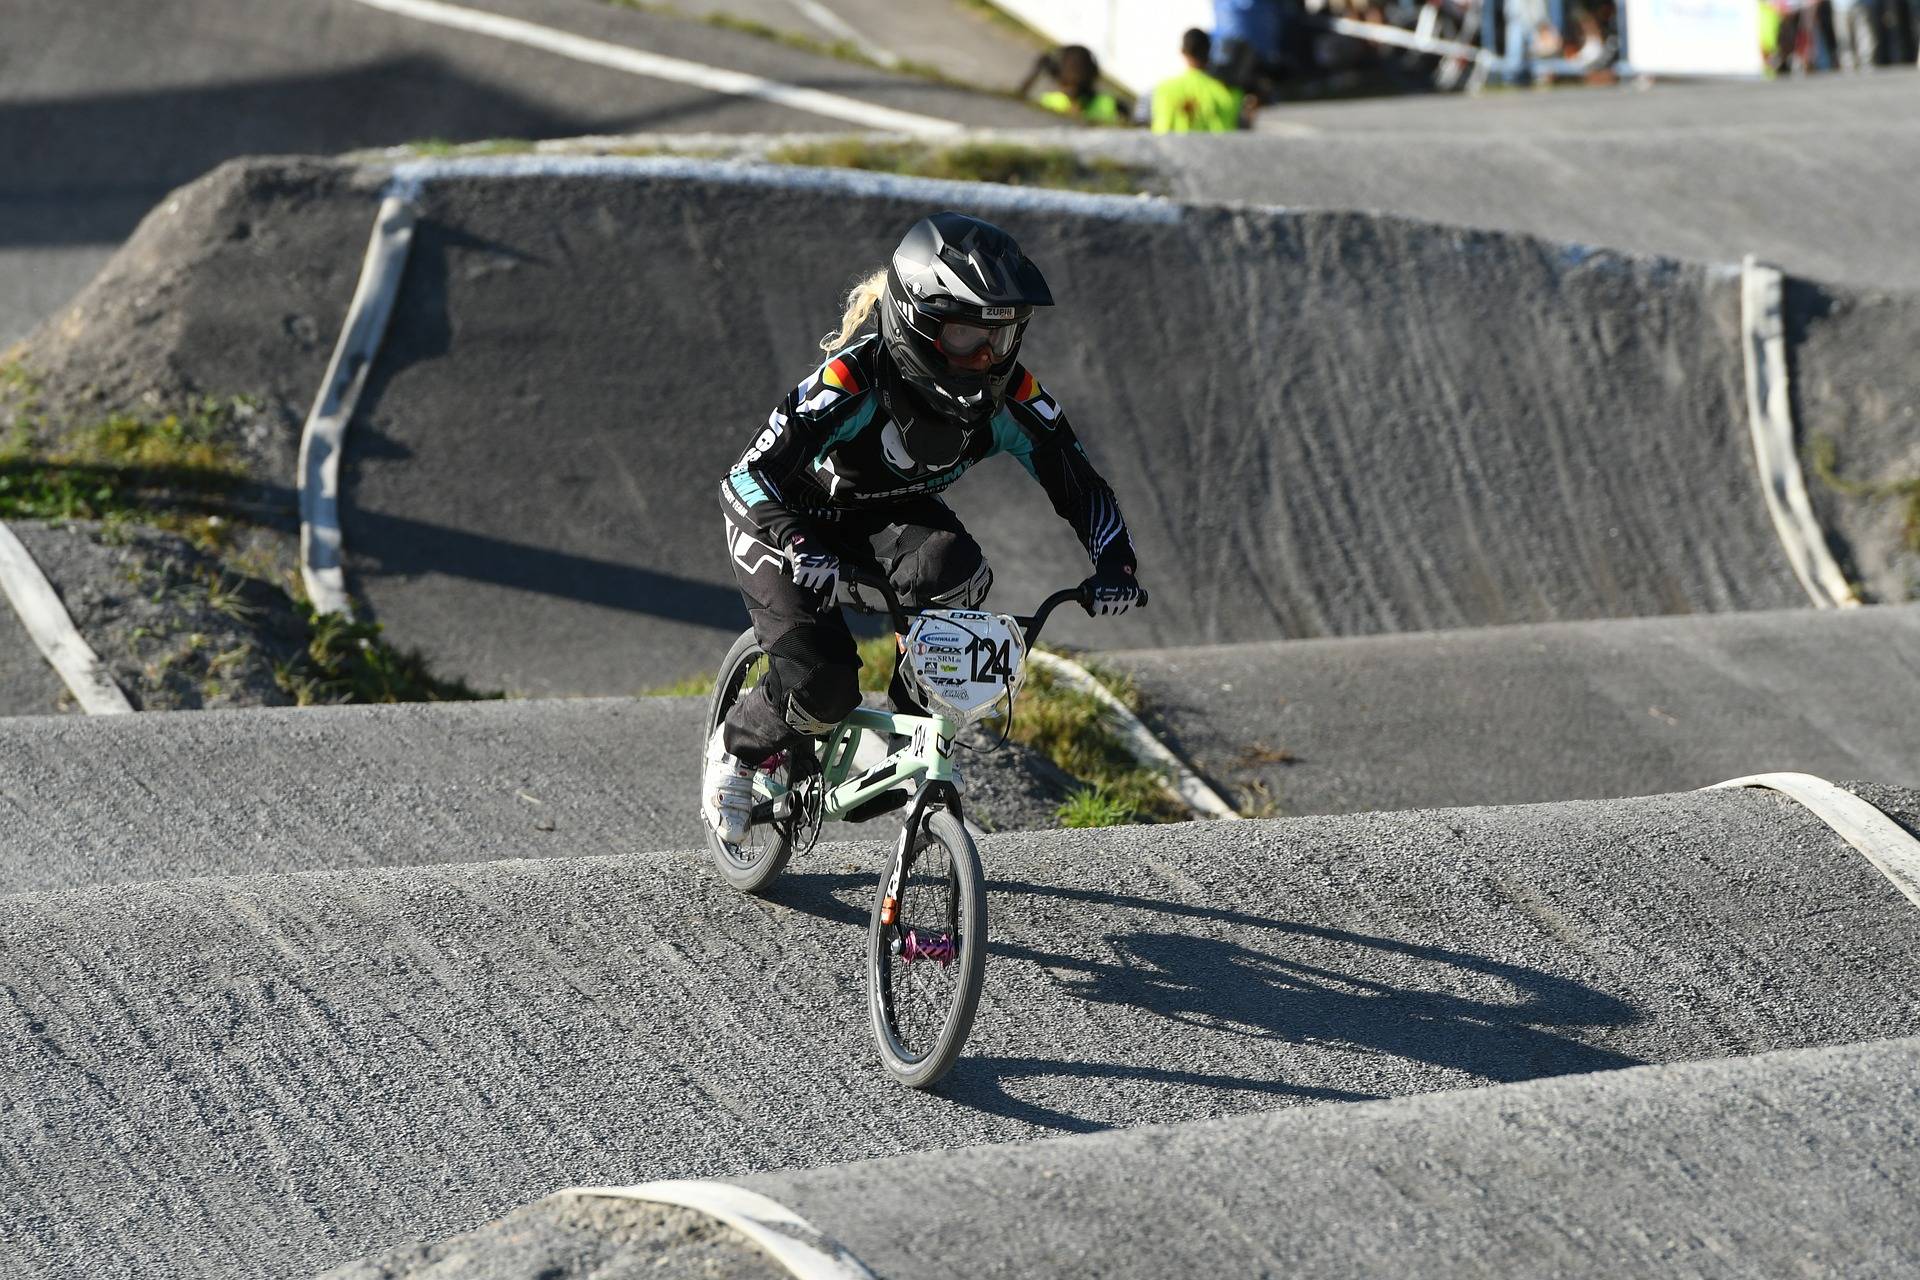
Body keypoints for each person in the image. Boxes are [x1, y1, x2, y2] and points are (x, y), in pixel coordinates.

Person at [703, 213, 1145, 845]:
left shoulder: (1013, 393)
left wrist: (1116, 565)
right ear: (918, 320)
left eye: (1004, 336)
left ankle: (901, 735)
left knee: (958, 571)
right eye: (968, 336)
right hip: (788, 521)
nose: (989, 357)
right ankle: (738, 748)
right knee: (823, 686)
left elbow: (1079, 484)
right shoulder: (853, 381)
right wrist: (796, 541)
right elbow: (746, 477)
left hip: (884, 519)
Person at [1151, 29, 1246, 133]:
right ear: (1209, 51)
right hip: (1218, 148)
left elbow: (1161, 133)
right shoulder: (1229, 92)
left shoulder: (1165, 90)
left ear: (1182, 51)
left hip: (1175, 149)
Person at [1017, 44, 1125, 123]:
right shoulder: (1111, 104)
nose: (1071, 87)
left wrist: (1035, 73)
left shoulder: (1047, 103)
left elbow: (1015, 107)